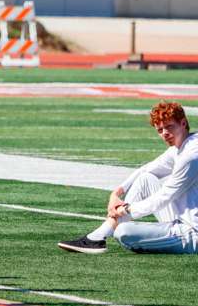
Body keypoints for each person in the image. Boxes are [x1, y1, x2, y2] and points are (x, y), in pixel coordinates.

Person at [58, 101, 198, 255]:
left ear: (183, 123)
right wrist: (116, 193)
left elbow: (164, 197)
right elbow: (146, 169)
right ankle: (98, 237)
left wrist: (126, 210)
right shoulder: (182, 146)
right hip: (182, 220)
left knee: (123, 232)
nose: (164, 133)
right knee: (145, 179)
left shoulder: (191, 155)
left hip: (193, 232)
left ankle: (98, 236)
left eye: (169, 127)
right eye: (160, 130)